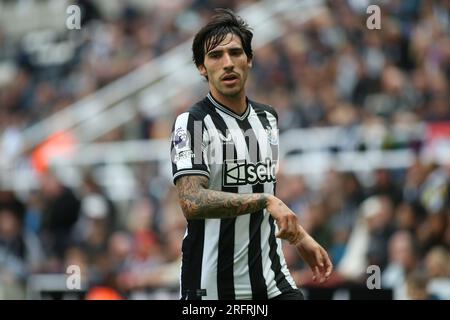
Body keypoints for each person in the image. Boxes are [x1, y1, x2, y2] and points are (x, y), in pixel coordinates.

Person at [170, 8, 332, 300]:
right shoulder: (192, 123)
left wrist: (300, 237)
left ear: (250, 60)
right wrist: (266, 200)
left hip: (271, 278)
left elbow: (261, 188)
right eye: (216, 56)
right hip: (211, 287)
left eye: (235, 53)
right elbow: (191, 200)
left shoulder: (268, 119)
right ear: (202, 68)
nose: (228, 63)